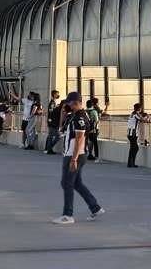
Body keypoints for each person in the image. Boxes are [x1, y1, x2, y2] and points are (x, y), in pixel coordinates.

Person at [51, 91, 104, 224]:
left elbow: (80, 138)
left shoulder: (79, 117)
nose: (67, 105)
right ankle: (95, 207)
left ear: (75, 102)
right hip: (78, 154)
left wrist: (73, 159)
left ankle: (68, 215)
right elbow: (63, 129)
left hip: (74, 155)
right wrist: (63, 113)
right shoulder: (78, 115)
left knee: (66, 183)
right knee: (77, 183)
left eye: (69, 103)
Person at [126, 103, 151, 168]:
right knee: (135, 148)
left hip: (129, 134)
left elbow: (141, 117)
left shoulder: (132, 114)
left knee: (132, 148)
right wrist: (149, 118)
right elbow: (143, 120)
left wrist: (146, 115)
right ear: (139, 108)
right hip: (133, 134)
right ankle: (131, 163)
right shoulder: (136, 115)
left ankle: (130, 163)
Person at [87, 97, 108, 162]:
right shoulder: (94, 111)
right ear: (93, 104)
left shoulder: (84, 111)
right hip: (94, 129)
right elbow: (97, 121)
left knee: (89, 142)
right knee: (95, 143)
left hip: (87, 130)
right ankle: (97, 157)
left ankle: (89, 154)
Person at [45, 90, 63, 154]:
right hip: (53, 122)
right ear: (54, 94)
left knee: (52, 136)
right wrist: (57, 108)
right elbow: (52, 112)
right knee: (55, 136)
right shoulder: (52, 103)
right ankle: (49, 149)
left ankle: (49, 149)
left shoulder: (53, 102)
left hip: (52, 122)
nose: (58, 95)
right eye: (57, 94)